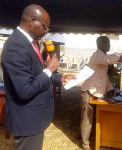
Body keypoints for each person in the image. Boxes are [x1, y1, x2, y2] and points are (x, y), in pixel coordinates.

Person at [1, 4, 74, 150]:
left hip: (34, 117)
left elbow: (36, 73)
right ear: (32, 21)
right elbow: (25, 90)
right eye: (45, 27)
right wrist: (49, 69)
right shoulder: (16, 46)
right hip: (27, 120)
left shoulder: (29, 43)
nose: (46, 32)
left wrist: (59, 78)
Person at [80, 36, 122, 150]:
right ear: (99, 44)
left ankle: (86, 136)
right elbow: (112, 58)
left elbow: (104, 77)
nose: (109, 45)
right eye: (106, 43)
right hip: (89, 92)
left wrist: (113, 90)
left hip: (97, 93)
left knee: (94, 118)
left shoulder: (103, 59)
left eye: (109, 42)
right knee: (87, 119)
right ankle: (85, 144)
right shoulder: (98, 55)